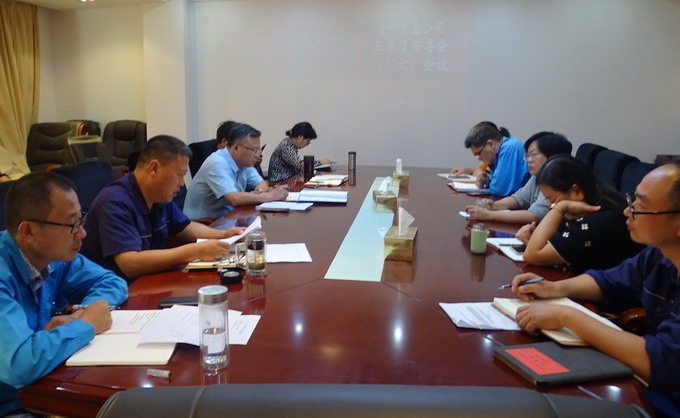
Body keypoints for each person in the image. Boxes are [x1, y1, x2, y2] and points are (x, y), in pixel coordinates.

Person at [510, 162, 680, 417]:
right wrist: (553, 288)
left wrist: (567, 316)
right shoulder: (658, 255)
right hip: (643, 384)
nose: (627, 211)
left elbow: (661, 363)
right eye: (632, 199)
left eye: (641, 206)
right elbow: (608, 281)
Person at [0, 172, 128, 416]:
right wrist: (86, 325)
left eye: (81, 220)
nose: (82, 233)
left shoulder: (52, 256)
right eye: (72, 225)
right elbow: (19, 365)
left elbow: (111, 281)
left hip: (42, 390)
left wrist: (82, 313)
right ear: (28, 231)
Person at [81, 135, 245, 281]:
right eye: (179, 175)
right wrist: (194, 251)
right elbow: (129, 264)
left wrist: (223, 235)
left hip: (150, 280)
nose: (182, 184)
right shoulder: (115, 201)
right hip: (117, 291)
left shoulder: (159, 196)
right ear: (154, 168)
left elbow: (184, 227)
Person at [516, 155, 644, 273]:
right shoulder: (580, 212)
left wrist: (560, 208)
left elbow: (532, 255)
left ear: (576, 191)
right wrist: (535, 236)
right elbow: (554, 243)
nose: (551, 206)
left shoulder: (602, 219)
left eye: (553, 201)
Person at [184, 123, 289, 219]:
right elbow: (234, 198)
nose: (257, 155)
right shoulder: (217, 163)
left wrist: (259, 193)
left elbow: (262, 184)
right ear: (236, 148)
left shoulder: (244, 162)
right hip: (204, 223)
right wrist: (271, 196)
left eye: (259, 150)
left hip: (230, 217)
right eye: (254, 150)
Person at [465, 132, 572, 223]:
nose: (529, 160)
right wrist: (494, 205)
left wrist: (489, 215)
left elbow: (535, 216)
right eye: (527, 155)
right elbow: (519, 199)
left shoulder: (557, 180)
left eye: (533, 155)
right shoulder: (538, 175)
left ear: (552, 156)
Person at [451, 121, 529, 197]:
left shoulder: (509, 148)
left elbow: (499, 189)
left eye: (478, 154)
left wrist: (489, 183)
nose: (479, 159)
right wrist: (487, 180)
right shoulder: (498, 153)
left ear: (490, 144)